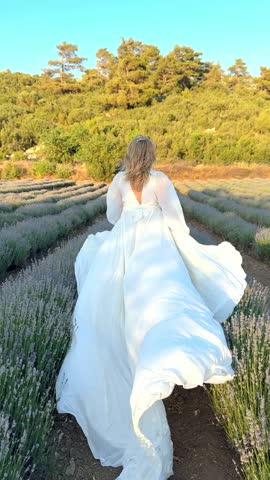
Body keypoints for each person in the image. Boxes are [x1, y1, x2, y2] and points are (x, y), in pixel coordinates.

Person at [55, 135, 247, 480]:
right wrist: (181, 242)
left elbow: (113, 217)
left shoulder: (118, 180)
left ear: (130, 155)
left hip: (126, 246)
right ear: (152, 155)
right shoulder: (160, 180)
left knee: (119, 311)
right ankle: (168, 356)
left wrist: (132, 218)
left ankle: (134, 362)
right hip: (155, 244)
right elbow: (175, 219)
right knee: (167, 301)